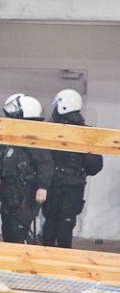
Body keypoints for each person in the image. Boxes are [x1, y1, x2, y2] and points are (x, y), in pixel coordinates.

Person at [42, 89, 103, 248]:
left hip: (52, 185)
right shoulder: (87, 132)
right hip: (74, 187)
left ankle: (44, 264)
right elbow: (95, 166)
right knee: (66, 226)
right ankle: (63, 267)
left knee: (50, 224)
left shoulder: (51, 130)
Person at [0, 96, 54, 244]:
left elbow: (46, 164)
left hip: (25, 193)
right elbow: (6, 160)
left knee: (18, 231)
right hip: (9, 192)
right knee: (8, 229)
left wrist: (42, 187)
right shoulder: (13, 139)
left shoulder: (33, 139)